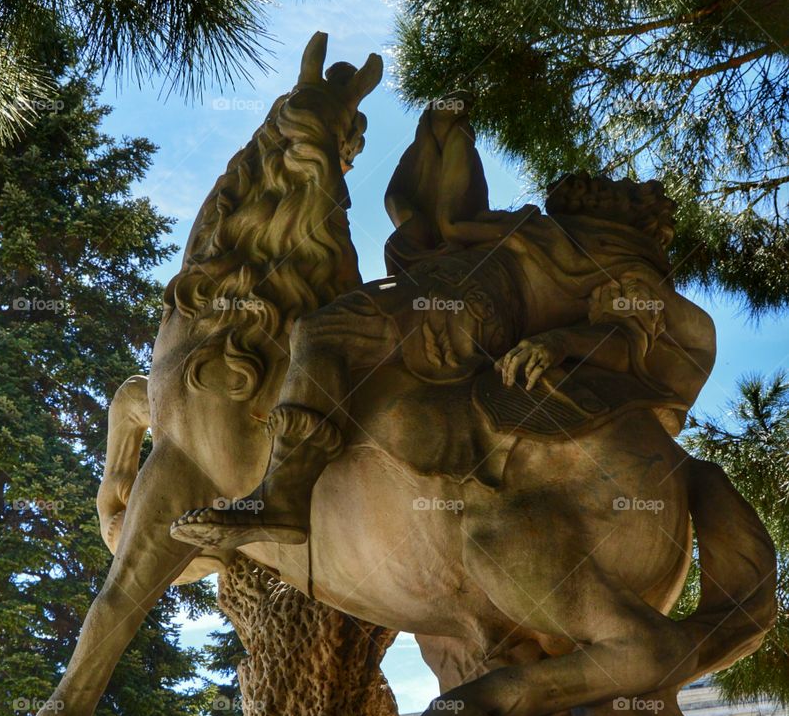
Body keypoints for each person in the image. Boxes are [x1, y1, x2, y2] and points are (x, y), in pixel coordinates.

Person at [175, 96, 715, 549]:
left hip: (465, 312)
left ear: (630, 212)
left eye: (618, 186)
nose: (601, 180)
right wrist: (446, 129)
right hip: (442, 293)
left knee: (322, 331)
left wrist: (557, 341)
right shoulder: (540, 229)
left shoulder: (618, 259)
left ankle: (284, 497)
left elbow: (629, 338)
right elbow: (450, 215)